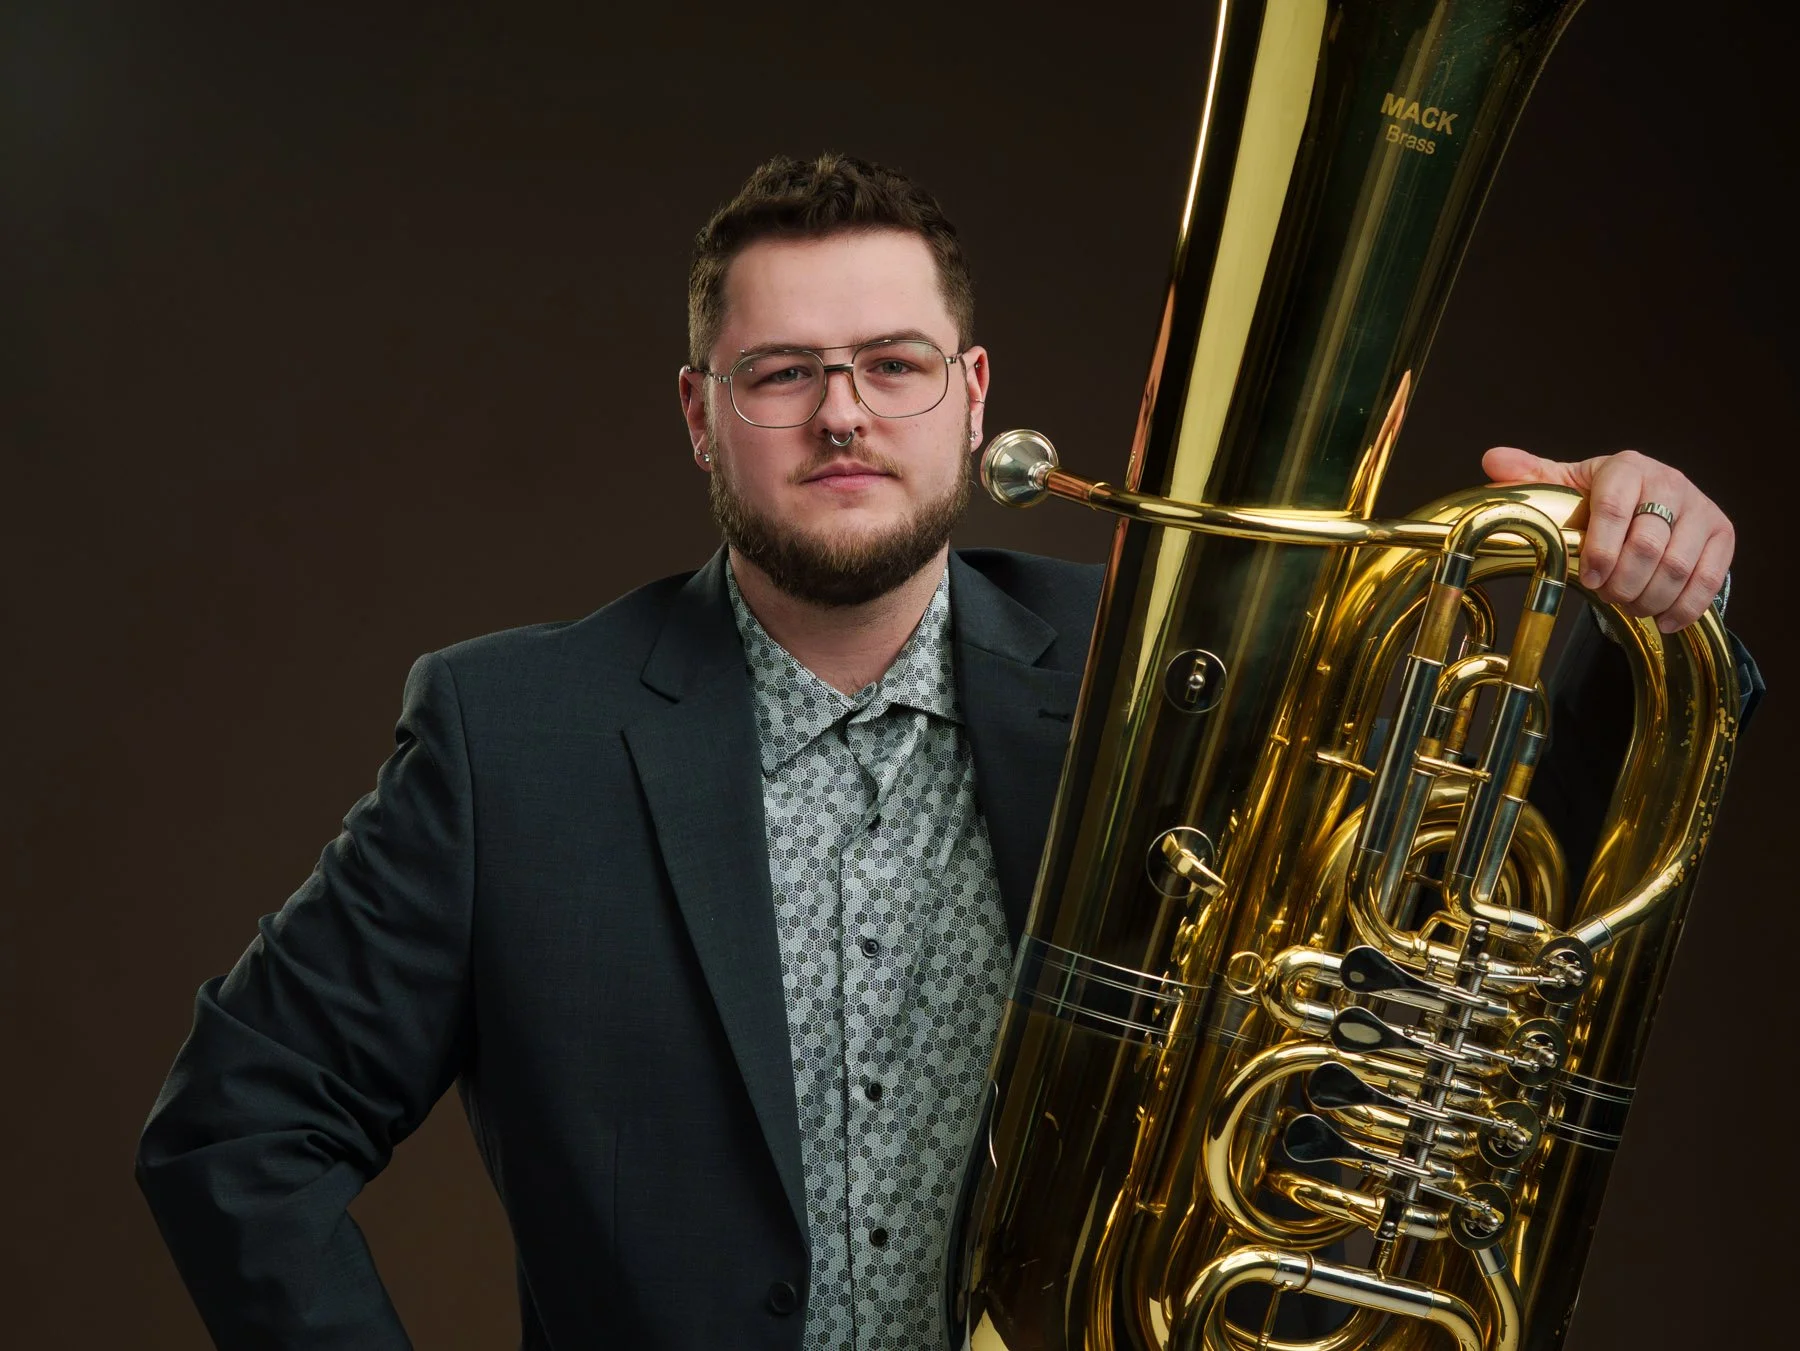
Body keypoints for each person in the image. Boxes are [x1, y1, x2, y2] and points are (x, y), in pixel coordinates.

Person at [136, 154, 1745, 1351]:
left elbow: (1487, 905)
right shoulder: (514, 736)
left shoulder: (1169, 677)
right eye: (782, 373)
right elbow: (237, 1122)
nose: (843, 413)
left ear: (972, 397)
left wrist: (1631, 605)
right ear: (699, 414)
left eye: (894, 364)